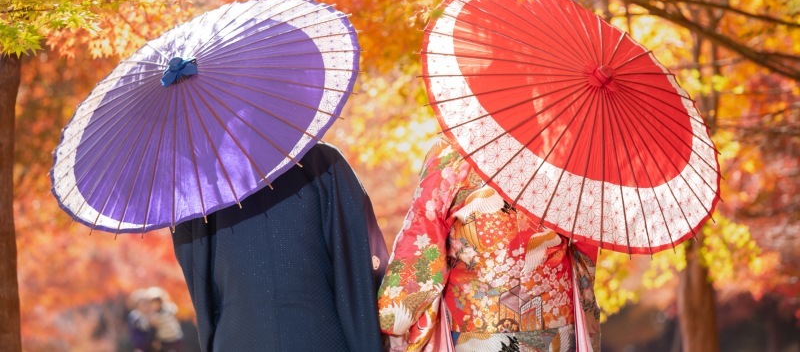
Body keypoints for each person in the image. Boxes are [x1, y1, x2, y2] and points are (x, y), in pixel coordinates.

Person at [377, 140, 601, 352]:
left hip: (477, 326)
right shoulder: (566, 152)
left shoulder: (454, 153)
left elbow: (422, 241)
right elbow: (586, 245)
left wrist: (392, 316)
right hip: (555, 321)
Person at [172, 141, 388, 352]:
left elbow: (198, 280)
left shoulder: (196, 187)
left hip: (237, 335)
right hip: (321, 333)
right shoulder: (322, 161)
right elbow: (358, 259)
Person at [145, 287, 184, 351]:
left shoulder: (169, 308)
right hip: (165, 340)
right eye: (153, 303)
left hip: (175, 337)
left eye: (156, 302)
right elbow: (153, 329)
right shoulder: (152, 315)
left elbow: (176, 316)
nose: (155, 305)